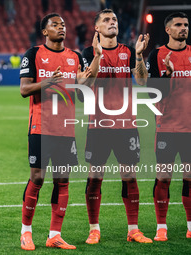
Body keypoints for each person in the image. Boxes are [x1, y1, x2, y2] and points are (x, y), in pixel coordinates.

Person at [19, 13, 91, 250]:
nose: (61, 27)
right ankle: (26, 232)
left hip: (66, 129)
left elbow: (82, 97)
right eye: (55, 25)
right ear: (44, 31)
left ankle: (54, 235)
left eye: (63, 24)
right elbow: (24, 89)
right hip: (40, 126)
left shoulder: (75, 57)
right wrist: (47, 83)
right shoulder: (34, 54)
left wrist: (83, 83)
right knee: (37, 177)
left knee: (62, 180)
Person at [82, 9, 151, 244]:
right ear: (97, 28)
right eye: (106, 21)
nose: (112, 23)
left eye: (114, 20)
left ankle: (133, 229)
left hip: (127, 125)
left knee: (130, 176)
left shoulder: (129, 52)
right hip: (98, 125)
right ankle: (94, 229)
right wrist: (98, 56)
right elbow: (84, 87)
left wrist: (140, 56)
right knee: (95, 177)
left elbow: (142, 81)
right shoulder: (87, 53)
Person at [146, 12, 191, 241]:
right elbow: (152, 93)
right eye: (178, 25)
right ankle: (161, 226)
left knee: (189, 178)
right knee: (163, 177)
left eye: (186, 25)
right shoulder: (157, 55)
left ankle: (190, 225)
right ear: (168, 30)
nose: (183, 28)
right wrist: (168, 76)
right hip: (167, 127)